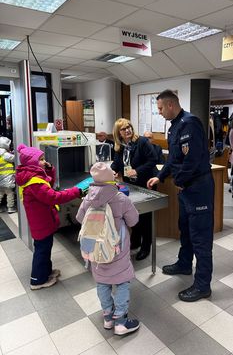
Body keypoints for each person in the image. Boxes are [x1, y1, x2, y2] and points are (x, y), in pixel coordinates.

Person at [147, 90, 214, 302]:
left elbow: (191, 161)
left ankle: (203, 285)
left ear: (170, 105)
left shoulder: (189, 123)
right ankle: (184, 264)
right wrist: (160, 176)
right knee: (185, 229)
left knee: (201, 238)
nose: (159, 113)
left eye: (159, 108)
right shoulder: (175, 126)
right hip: (186, 189)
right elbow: (174, 158)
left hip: (198, 189)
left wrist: (179, 181)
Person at [76, 162, 140, 335]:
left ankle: (108, 318)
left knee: (102, 283)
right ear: (111, 178)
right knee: (122, 282)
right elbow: (134, 220)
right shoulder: (120, 198)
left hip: (94, 248)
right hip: (116, 248)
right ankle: (121, 321)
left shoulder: (88, 198)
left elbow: (79, 218)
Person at [15, 144, 82, 290]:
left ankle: (46, 273)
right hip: (42, 223)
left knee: (45, 249)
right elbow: (52, 196)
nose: (44, 161)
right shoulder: (34, 182)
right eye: (41, 159)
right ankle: (37, 280)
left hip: (42, 220)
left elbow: (47, 185)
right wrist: (75, 191)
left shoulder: (32, 175)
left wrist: (50, 170)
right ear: (32, 162)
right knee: (42, 251)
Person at [111, 119, 156, 261]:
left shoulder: (142, 142)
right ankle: (135, 240)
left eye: (129, 127)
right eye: (123, 129)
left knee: (145, 217)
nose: (128, 130)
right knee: (132, 214)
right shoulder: (120, 146)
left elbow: (153, 160)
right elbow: (117, 163)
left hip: (146, 183)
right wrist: (110, 171)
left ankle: (146, 246)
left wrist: (137, 170)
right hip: (131, 185)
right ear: (119, 133)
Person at [0, 136, 16, 213]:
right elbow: (14, 158)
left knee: (1, 193)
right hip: (7, 178)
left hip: (0, 178)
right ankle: (10, 207)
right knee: (9, 193)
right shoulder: (5, 154)